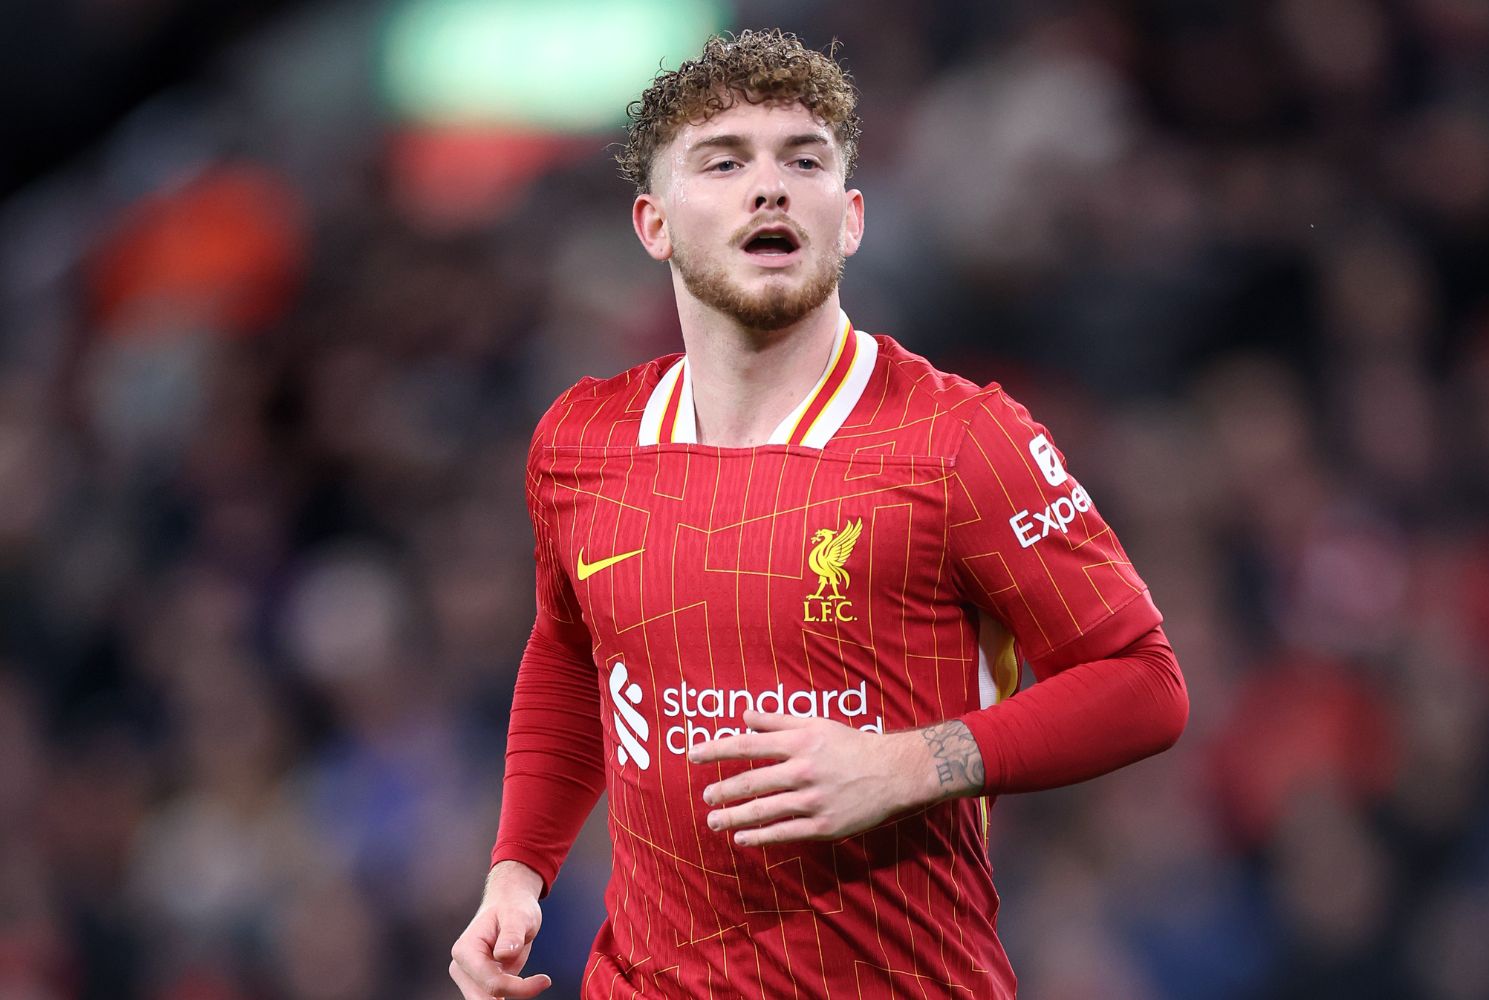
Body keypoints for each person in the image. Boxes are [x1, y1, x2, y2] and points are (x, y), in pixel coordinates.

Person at [450, 28, 1188, 1000]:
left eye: (805, 159)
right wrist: (518, 869)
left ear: (851, 217)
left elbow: (1142, 684)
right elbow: (570, 653)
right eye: (723, 162)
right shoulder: (583, 439)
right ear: (653, 224)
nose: (772, 187)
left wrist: (908, 764)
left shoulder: (959, 437)